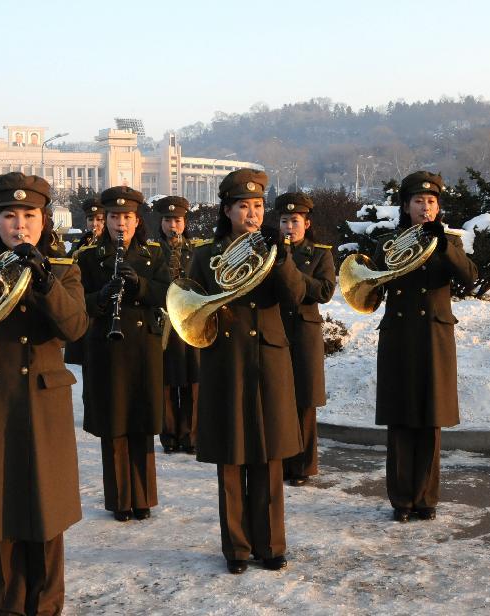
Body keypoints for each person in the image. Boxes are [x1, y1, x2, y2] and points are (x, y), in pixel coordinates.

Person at [0, 172, 88, 615]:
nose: (19, 224)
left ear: (44, 221)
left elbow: (74, 328)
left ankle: (47, 605)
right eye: (9, 215)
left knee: (46, 513)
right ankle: (6, 602)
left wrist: (43, 279)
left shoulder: (66, 271)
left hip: (42, 402)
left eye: (29, 215)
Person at [189, 169, 304, 574]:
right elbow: (193, 305)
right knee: (232, 459)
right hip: (227, 359)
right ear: (228, 210)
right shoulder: (206, 255)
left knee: (269, 456)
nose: (253, 214)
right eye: (244, 207)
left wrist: (283, 257)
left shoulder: (275, 249)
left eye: (258, 206)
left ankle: (272, 545)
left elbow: (295, 297)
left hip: (269, 359)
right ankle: (236, 549)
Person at [374, 171, 478, 523]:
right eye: (418, 201)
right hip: (399, 336)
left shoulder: (450, 241)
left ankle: (427, 498)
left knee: (430, 420)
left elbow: (469, 278)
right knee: (401, 420)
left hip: (434, 337)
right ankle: (401, 500)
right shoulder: (388, 242)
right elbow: (371, 291)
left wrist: (444, 244)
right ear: (405, 206)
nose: (425, 206)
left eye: (431, 201)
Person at [77, 186, 168, 522]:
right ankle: (119, 500)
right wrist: (102, 295)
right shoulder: (88, 257)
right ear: (105, 219)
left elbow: (169, 292)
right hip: (106, 347)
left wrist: (141, 286)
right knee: (113, 422)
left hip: (143, 346)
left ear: (136, 219)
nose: (120, 223)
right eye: (114, 217)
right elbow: (78, 303)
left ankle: (142, 497)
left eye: (126, 217)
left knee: (141, 422)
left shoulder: (154, 254)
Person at [275, 192, 336, 486]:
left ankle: (303, 466)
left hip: (304, 332)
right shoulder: (270, 252)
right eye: (284, 221)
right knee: (277, 400)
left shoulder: (320, 254)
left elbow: (324, 291)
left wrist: (291, 273)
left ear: (307, 223)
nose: (289, 227)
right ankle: (281, 461)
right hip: (276, 330)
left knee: (303, 402)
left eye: (295, 221)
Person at [151, 195, 200, 454]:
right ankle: (169, 435)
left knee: (193, 379)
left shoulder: (197, 249)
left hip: (191, 321)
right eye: (168, 220)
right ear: (160, 222)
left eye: (178, 220)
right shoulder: (152, 251)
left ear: (185, 222)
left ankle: (191, 435)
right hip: (163, 321)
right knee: (167, 380)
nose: (173, 225)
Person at [63, 196, 105, 366]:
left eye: (99, 220)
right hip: (83, 308)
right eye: (91, 219)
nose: (94, 224)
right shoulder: (80, 244)